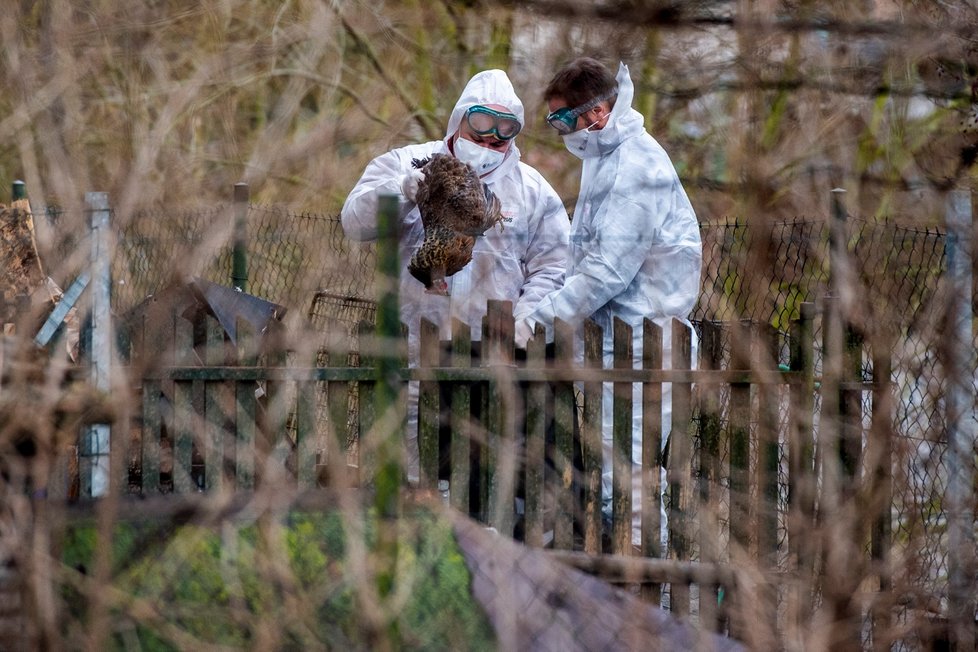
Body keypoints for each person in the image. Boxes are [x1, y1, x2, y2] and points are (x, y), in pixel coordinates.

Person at [341, 69, 571, 484]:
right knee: (413, 463)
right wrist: (401, 191)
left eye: (502, 132)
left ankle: (478, 541)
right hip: (413, 341)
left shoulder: (532, 190)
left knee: (483, 470)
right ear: (460, 118)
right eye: (480, 126)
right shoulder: (407, 162)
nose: (489, 141)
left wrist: (526, 320)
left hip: (491, 352)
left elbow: (554, 265)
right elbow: (354, 223)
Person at [516, 57, 702, 549]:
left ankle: (646, 603)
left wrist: (535, 323)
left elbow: (606, 271)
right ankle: (625, 596)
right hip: (618, 345)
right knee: (611, 479)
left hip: (643, 344)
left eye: (561, 120)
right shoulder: (606, 159)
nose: (559, 132)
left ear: (596, 113)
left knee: (630, 484)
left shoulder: (636, 166)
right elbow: (588, 262)